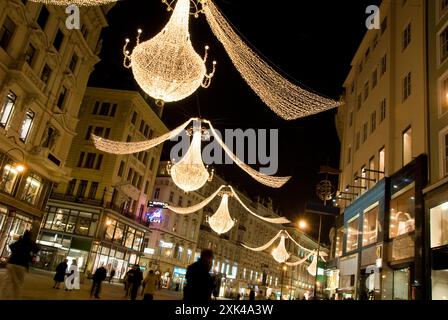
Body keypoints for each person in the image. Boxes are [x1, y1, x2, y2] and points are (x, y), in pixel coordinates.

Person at [0, 230, 39, 299]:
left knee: (7, 282)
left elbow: (11, 246)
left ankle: (3, 297)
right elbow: (37, 249)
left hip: (12, 263)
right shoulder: (30, 243)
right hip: (21, 265)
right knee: (18, 284)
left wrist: (15, 252)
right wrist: (31, 255)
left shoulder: (20, 241)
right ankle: (16, 297)